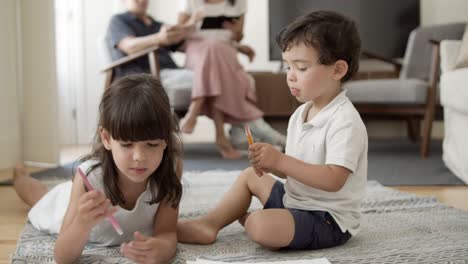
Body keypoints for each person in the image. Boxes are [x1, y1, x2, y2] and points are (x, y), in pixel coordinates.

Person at [177, 10, 368, 251]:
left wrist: (281, 160)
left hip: (327, 218)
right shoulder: (301, 114)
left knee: (259, 225)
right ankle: (208, 225)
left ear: (338, 70)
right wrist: (272, 165)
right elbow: (297, 171)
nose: (290, 77)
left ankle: (260, 222)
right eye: (287, 67)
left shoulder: (345, 120)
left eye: (301, 68)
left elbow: (333, 180)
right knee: (249, 177)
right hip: (294, 201)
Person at [13, 74, 183, 263]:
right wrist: (81, 224)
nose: (139, 157)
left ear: (165, 140)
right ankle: (18, 174)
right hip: (67, 208)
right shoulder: (89, 177)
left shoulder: (171, 167)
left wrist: (164, 248)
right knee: (40, 197)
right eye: (127, 144)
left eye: (151, 144)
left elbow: (167, 231)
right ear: (106, 138)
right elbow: (62, 257)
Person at [177, 0, 286, 159]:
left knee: (216, 54)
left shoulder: (239, 2)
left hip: (225, 51)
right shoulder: (190, 2)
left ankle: (195, 110)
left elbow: (238, 36)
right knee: (213, 52)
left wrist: (236, 32)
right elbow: (176, 36)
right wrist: (193, 21)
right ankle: (224, 137)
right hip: (197, 53)